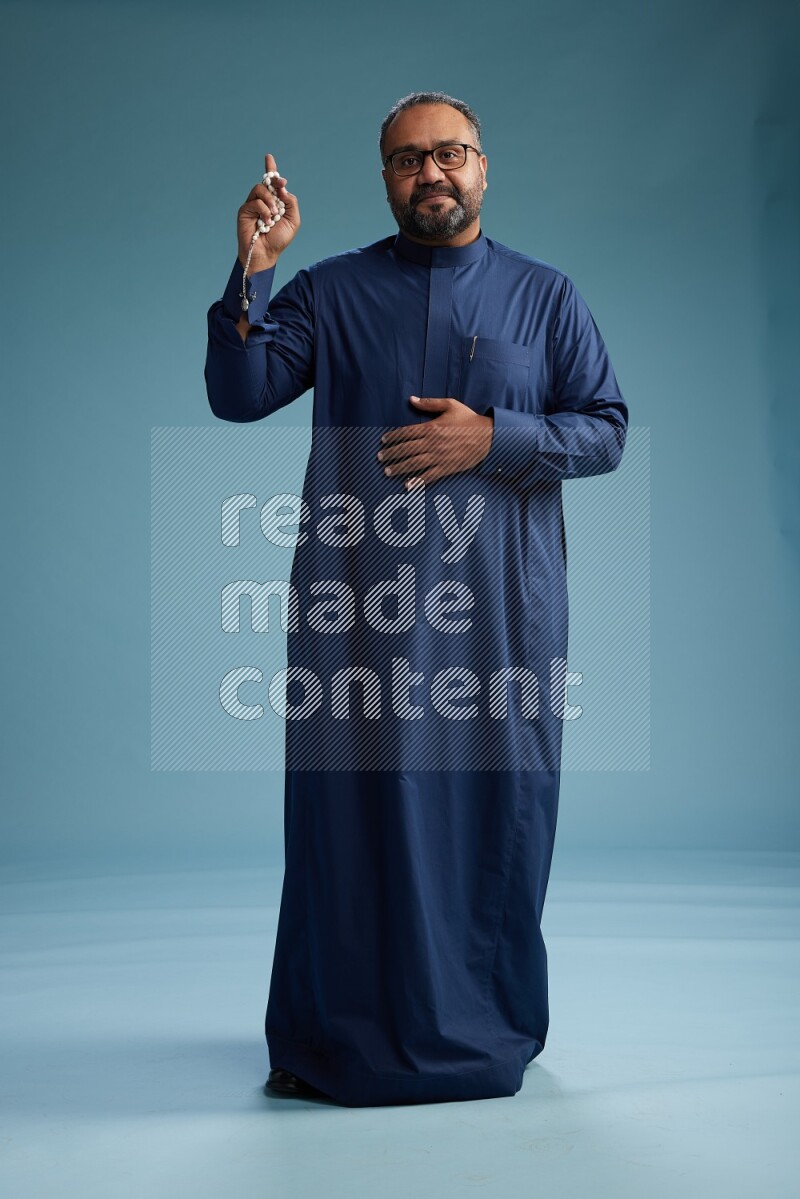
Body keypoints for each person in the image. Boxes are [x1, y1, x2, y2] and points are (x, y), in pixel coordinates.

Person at [205, 91, 628, 1107]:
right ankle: (334, 1036)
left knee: (495, 808)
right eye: (406, 159)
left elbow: (605, 428)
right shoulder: (331, 290)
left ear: (481, 166)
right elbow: (239, 392)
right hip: (359, 609)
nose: (429, 172)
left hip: (502, 612)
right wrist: (254, 269)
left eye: (448, 153)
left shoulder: (546, 296)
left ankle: (485, 1027)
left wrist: (495, 437)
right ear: (387, 178)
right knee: (350, 817)